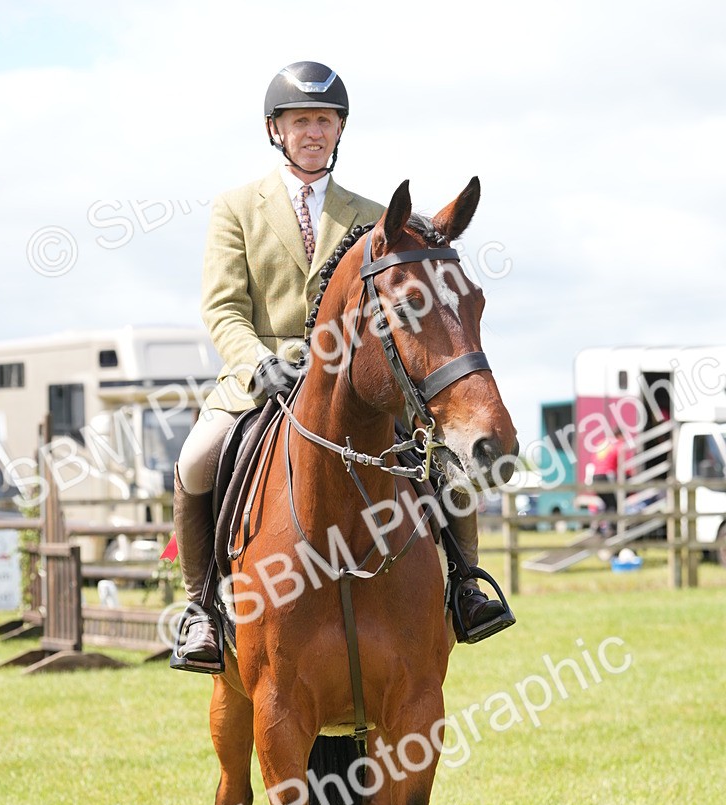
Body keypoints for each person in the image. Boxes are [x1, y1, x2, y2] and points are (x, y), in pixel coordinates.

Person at [171, 61, 506, 673]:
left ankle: (463, 585)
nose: (314, 132)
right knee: (196, 460)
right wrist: (257, 364)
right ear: (277, 130)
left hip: (358, 382)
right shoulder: (236, 207)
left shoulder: (377, 215)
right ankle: (200, 609)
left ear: (339, 128)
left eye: (324, 120)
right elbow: (222, 308)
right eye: (301, 121)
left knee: (446, 464)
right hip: (262, 379)